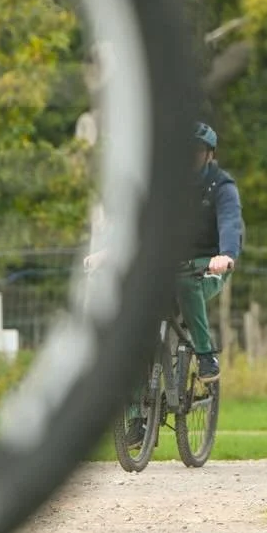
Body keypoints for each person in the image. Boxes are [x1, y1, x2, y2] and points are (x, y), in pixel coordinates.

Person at [86, 121, 242, 382]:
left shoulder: (221, 186)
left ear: (209, 154)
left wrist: (225, 255)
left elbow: (230, 222)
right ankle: (135, 416)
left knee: (185, 284)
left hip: (207, 265)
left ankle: (205, 356)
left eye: (197, 151)